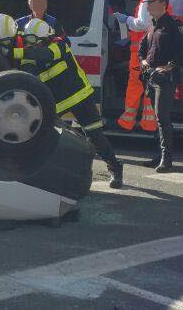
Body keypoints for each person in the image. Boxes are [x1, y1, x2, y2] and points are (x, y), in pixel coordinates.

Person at [18, 18, 123, 189]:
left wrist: (14, 52)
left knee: (95, 136)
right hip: (56, 105)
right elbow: (27, 74)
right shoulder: (29, 56)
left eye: (31, 40)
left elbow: (45, 55)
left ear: (44, 38)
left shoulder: (59, 46)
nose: (28, 44)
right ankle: (43, 175)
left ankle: (115, 168)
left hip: (80, 98)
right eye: (26, 40)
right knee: (47, 139)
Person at [138, 0, 183, 171]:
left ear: (162, 3)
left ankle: (166, 160)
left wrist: (171, 66)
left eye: (151, 3)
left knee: (162, 117)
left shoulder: (174, 25)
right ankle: (159, 156)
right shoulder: (152, 26)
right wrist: (143, 61)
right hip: (151, 77)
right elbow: (142, 48)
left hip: (165, 79)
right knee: (157, 117)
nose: (148, 6)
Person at [112, 0, 162, 131]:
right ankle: (149, 123)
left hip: (141, 51)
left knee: (135, 85)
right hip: (156, 48)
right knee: (151, 85)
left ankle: (127, 121)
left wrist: (126, 19)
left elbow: (142, 24)